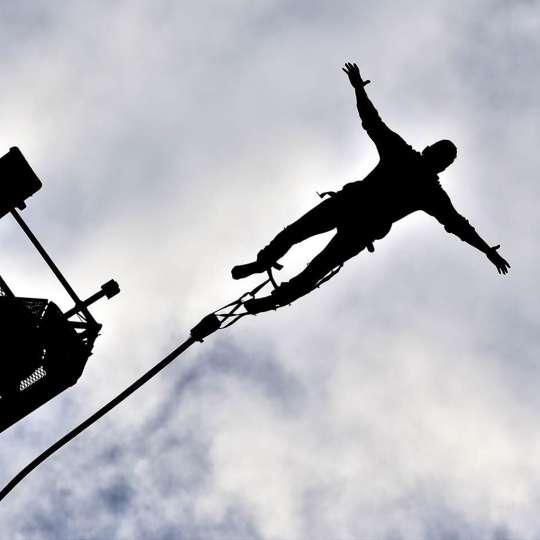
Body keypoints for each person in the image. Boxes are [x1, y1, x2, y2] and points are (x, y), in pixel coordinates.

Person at [232, 62, 510, 313]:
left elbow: (458, 225)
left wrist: (486, 250)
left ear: (440, 165)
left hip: (360, 224)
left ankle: (274, 291)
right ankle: (264, 266)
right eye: (440, 155)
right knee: (300, 239)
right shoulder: (407, 161)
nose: (437, 160)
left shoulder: (428, 189)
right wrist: (359, 91)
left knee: (314, 261)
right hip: (350, 208)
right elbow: (373, 122)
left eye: (442, 158)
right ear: (432, 154)